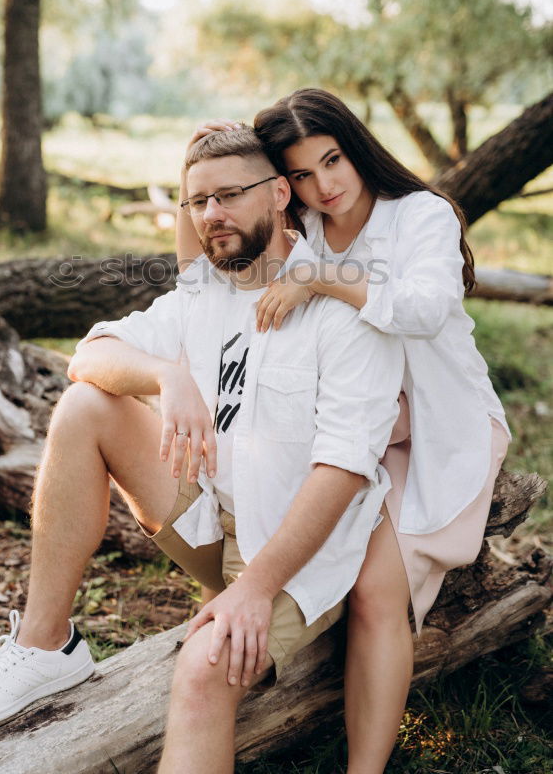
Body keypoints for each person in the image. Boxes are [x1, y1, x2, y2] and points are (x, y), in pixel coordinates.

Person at [0, 125, 405, 772]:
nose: (211, 215)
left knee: (199, 674)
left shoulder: (342, 301)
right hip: (214, 513)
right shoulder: (204, 292)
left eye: (229, 196)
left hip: (304, 554)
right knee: (85, 405)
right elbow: (90, 355)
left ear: (278, 194)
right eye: (196, 202)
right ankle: (45, 647)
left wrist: (253, 590)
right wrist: (168, 377)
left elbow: (344, 470)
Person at [175, 88, 511, 774]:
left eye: (331, 161)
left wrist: (322, 279)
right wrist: (196, 174)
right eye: (299, 173)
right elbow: (201, 269)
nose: (322, 186)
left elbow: (422, 307)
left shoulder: (420, 215)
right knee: (313, 529)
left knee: (373, 586)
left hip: (434, 422)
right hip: (356, 417)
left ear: (354, 147)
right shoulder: (300, 217)